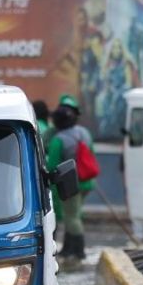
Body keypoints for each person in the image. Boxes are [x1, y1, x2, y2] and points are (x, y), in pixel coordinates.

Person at [45, 95, 94, 260]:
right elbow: (91, 153)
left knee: (71, 217)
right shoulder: (84, 133)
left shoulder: (58, 140)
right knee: (73, 214)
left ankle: (79, 251)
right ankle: (68, 248)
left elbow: (52, 166)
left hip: (71, 185)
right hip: (87, 181)